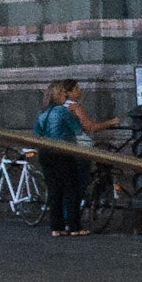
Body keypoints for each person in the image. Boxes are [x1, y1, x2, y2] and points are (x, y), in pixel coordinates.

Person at [34, 81, 88, 236]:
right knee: (71, 189)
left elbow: (37, 133)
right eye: (64, 94)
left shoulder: (43, 113)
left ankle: (56, 227)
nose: (66, 96)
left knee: (54, 190)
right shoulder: (63, 112)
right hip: (63, 152)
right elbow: (77, 129)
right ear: (58, 95)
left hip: (46, 153)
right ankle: (74, 226)